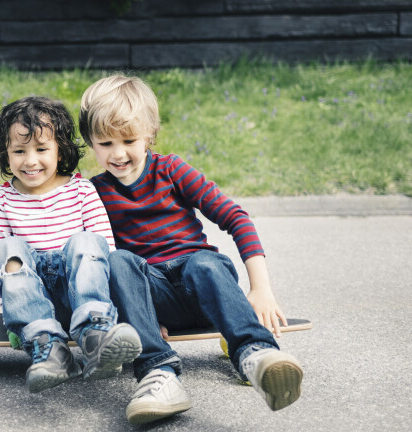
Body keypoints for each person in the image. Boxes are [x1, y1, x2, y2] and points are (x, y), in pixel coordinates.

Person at [79, 74, 304, 424]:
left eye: (129, 140)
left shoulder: (171, 170)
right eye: (105, 143)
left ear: (149, 135)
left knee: (203, 263)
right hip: (157, 296)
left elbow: (235, 217)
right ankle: (159, 375)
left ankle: (255, 356)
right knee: (117, 260)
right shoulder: (94, 193)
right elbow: (94, 265)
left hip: (202, 284)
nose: (118, 153)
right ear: (90, 142)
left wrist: (260, 289)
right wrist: (136, 313)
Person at [0, 96, 142, 394]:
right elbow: (1, 269)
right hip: (34, 303)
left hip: (81, 298)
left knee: (87, 241)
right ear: (6, 154)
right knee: (5, 250)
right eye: (19, 151)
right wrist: (13, 320)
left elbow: (105, 253)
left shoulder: (82, 190)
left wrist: (121, 309)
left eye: (42, 149)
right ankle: (49, 348)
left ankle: (96, 336)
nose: (30, 161)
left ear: (61, 151)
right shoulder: (1, 198)